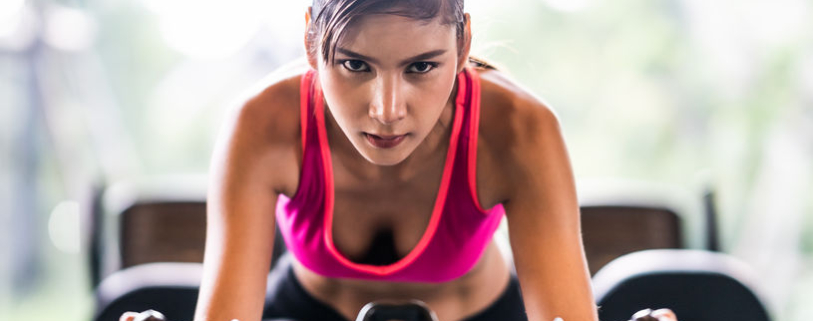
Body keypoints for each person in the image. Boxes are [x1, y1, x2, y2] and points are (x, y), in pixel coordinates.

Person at [123, 0, 678, 320]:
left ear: (462, 44)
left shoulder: (520, 132)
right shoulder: (260, 125)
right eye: (356, 66)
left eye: (421, 68)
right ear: (313, 41)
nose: (387, 111)